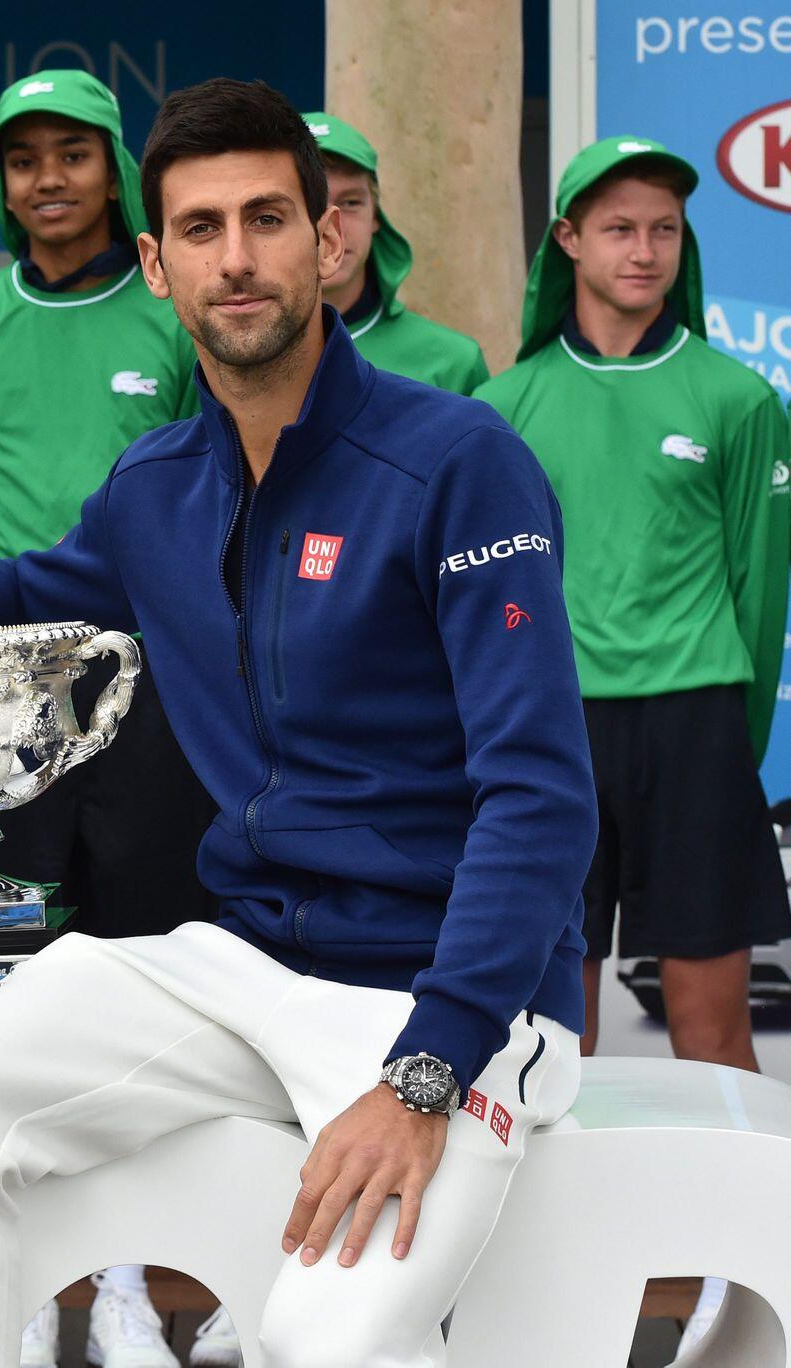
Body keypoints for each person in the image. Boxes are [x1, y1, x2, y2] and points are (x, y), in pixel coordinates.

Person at [0, 78, 595, 1368]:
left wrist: (427, 1071)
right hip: (244, 964)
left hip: (454, 1005)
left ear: (328, 239)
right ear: (156, 264)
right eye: (200, 229)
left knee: (323, 1344)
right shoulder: (154, 484)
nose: (236, 258)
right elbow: (40, 588)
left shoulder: (456, 462)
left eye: (266, 219)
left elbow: (538, 795)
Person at [476, 136, 791, 1357]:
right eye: (616, 228)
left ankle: (740, 1281)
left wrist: (724, 746)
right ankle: (568, 1287)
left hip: (694, 729)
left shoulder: (733, 397)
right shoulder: (504, 407)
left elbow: (756, 596)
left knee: (712, 1030)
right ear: (565, 240)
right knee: (556, 1039)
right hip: (550, 739)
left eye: (662, 228)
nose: (642, 251)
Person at [0, 69, 217, 1368]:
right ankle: (16, 1279)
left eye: (72, 154)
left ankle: (123, 1283)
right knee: (8, 978)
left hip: (150, 682)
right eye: (23, 158)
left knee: (142, 970)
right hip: (7, 686)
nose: (47, 178)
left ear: (115, 173)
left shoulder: (168, 311)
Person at [300, 112, 490, 395]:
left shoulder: (453, 363)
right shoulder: (237, 353)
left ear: (376, 216)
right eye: (311, 204)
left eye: (350, 203)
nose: (332, 227)